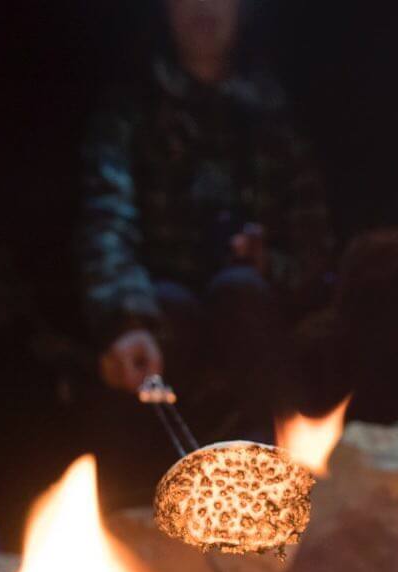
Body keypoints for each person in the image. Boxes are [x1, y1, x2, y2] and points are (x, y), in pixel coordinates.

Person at [78, 0, 333, 431]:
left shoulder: (274, 118)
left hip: (256, 322)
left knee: (241, 289)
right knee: (166, 312)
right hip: (164, 312)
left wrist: (270, 263)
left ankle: (281, 471)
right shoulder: (132, 109)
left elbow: (315, 249)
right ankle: (156, 480)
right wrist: (125, 318)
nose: (204, 7)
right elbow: (106, 217)